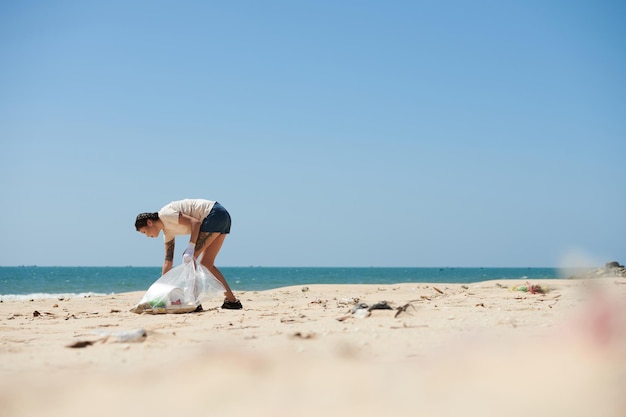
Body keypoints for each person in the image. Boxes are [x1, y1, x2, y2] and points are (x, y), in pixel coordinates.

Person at [135, 199, 242, 310]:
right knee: (207, 264)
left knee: (189, 259)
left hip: (213, 214)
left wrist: (191, 247)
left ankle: (194, 302)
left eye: (144, 232)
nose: (147, 236)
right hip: (222, 216)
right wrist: (163, 287)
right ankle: (232, 301)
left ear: (149, 222)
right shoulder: (167, 233)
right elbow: (168, 260)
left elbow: (195, 223)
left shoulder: (165, 214)